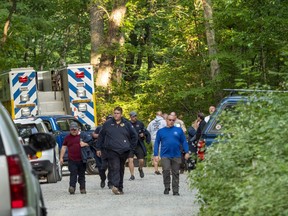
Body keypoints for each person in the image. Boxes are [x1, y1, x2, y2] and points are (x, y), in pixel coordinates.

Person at [96, 107, 138, 195]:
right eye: (115, 113)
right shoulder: (107, 124)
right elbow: (101, 136)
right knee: (115, 167)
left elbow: (134, 136)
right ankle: (115, 185)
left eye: (118, 113)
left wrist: (131, 148)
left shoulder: (127, 123)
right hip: (111, 150)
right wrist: (98, 148)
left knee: (121, 168)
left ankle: (120, 187)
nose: (116, 115)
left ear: (121, 114)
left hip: (124, 150)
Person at [154, 114, 190, 196]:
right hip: (165, 155)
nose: (171, 122)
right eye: (169, 120)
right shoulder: (161, 131)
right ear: (166, 120)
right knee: (166, 170)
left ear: (175, 120)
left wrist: (187, 152)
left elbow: (184, 141)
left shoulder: (179, 130)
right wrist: (156, 154)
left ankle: (175, 190)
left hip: (176, 154)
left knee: (176, 173)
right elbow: (157, 143)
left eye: (173, 120)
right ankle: (167, 187)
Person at [59, 122, 90, 194]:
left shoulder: (83, 136)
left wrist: (85, 144)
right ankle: (72, 187)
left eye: (75, 130)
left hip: (82, 159)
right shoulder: (67, 138)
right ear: (70, 130)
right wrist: (61, 157)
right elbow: (63, 147)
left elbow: (91, 143)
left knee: (82, 175)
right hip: (72, 159)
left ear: (78, 129)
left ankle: (82, 188)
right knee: (73, 174)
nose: (73, 131)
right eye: (72, 130)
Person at [128, 111, 151, 180]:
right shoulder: (127, 124)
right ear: (130, 117)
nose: (135, 117)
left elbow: (146, 132)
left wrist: (143, 135)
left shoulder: (140, 123)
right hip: (130, 145)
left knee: (141, 161)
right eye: (133, 116)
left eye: (135, 116)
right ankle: (132, 175)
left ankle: (140, 169)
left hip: (138, 144)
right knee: (130, 160)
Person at [91, 115, 113, 189]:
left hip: (111, 150)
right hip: (101, 150)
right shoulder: (100, 128)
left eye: (111, 119)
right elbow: (94, 136)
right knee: (102, 167)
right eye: (108, 119)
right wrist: (98, 149)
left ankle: (110, 182)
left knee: (111, 167)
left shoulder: (115, 128)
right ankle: (103, 179)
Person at [147, 111, 166, 175]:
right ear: (161, 115)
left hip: (154, 139)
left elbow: (147, 131)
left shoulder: (151, 122)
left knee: (155, 154)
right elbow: (167, 129)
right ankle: (164, 169)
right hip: (162, 139)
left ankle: (156, 170)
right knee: (163, 154)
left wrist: (150, 138)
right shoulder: (164, 121)